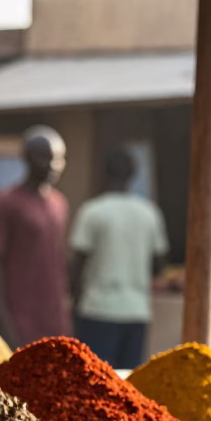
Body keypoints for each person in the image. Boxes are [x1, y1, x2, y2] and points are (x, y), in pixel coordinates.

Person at [68, 147, 168, 370]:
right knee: (127, 385)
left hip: (97, 310)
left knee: (94, 379)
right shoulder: (149, 213)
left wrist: (74, 302)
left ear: (103, 173)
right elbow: (158, 265)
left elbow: (77, 265)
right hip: (136, 312)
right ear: (133, 175)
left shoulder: (92, 212)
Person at [0, 125, 71, 347]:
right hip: (20, 317)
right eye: (44, 158)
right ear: (27, 159)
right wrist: (4, 322)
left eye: (58, 159)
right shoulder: (6, 203)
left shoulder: (59, 204)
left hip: (52, 317)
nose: (52, 166)